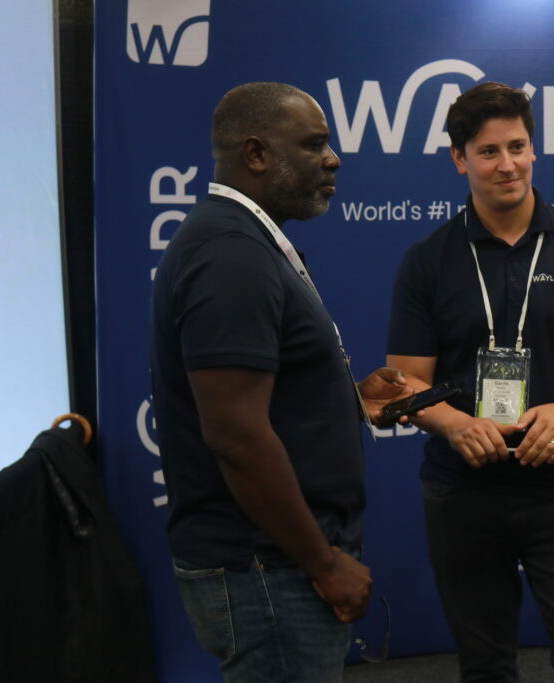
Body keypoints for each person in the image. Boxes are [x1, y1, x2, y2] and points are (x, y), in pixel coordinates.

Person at [150, 82, 415, 683]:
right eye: (314, 144)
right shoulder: (229, 253)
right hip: (268, 570)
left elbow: (266, 397)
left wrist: (348, 399)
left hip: (272, 564)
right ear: (256, 154)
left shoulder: (246, 241)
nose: (334, 158)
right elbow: (236, 435)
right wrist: (322, 564)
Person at [385, 82, 554, 682]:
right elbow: (404, 383)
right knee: (485, 667)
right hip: (464, 491)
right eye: (489, 152)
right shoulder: (427, 260)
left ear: (534, 148)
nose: (508, 165)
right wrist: (452, 423)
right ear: (459, 159)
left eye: (518, 146)